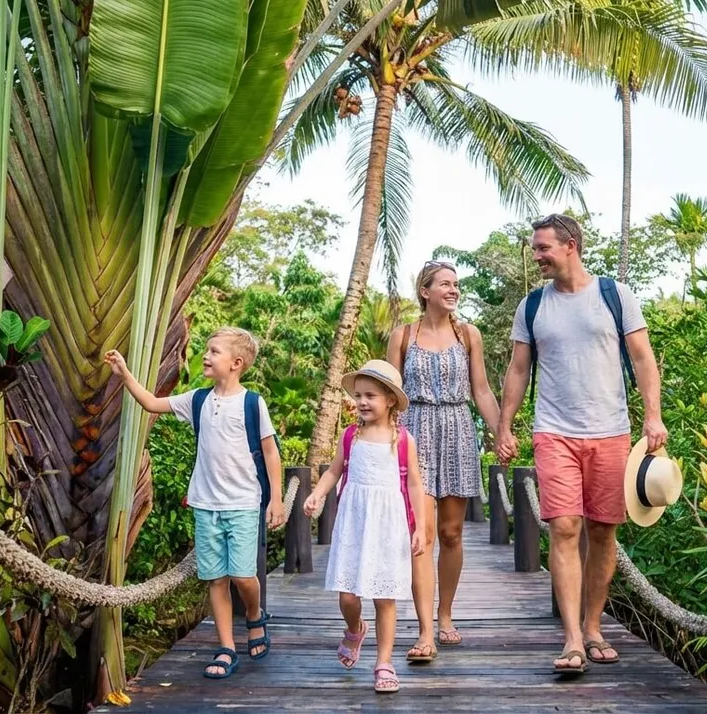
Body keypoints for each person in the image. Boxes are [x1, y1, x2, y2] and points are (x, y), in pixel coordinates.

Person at [495, 214, 667, 674]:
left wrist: (653, 416)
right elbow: (517, 370)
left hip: (610, 430)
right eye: (535, 248)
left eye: (543, 248)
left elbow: (643, 357)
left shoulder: (614, 296)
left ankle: (593, 626)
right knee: (565, 527)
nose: (537, 256)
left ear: (570, 246)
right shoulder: (533, 306)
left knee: (602, 530)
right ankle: (571, 637)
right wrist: (505, 426)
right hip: (554, 431)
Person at [104, 327, 286, 680]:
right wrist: (125, 374)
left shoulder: (252, 403)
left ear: (236, 363)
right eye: (207, 349)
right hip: (206, 503)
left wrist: (275, 499)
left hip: (244, 502)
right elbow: (152, 403)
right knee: (216, 578)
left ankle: (253, 613)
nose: (206, 355)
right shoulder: (198, 400)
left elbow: (270, 451)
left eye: (214, 351)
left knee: (243, 576)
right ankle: (226, 647)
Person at [386, 260, 500, 661]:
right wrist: (384, 441)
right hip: (415, 431)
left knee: (452, 533)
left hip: (457, 429)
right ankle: (423, 631)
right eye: (445, 284)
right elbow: (390, 394)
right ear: (425, 291)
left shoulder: (469, 334)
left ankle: (446, 615)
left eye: (456, 285)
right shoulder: (402, 336)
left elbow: (482, 391)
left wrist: (502, 430)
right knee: (423, 534)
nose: (453, 290)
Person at [303, 359, 427, 693]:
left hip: (388, 526)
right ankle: (355, 628)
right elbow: (334, 471)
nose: (362, 402)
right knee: (348, 595)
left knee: (385, 596)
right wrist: (317, 493)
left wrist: (421, 527)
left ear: (389, 400)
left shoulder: (402, 440)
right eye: (358, 395)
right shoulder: (350, 436)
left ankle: (384, 662)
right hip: (354, 524)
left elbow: (415, 484)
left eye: (370, 395)